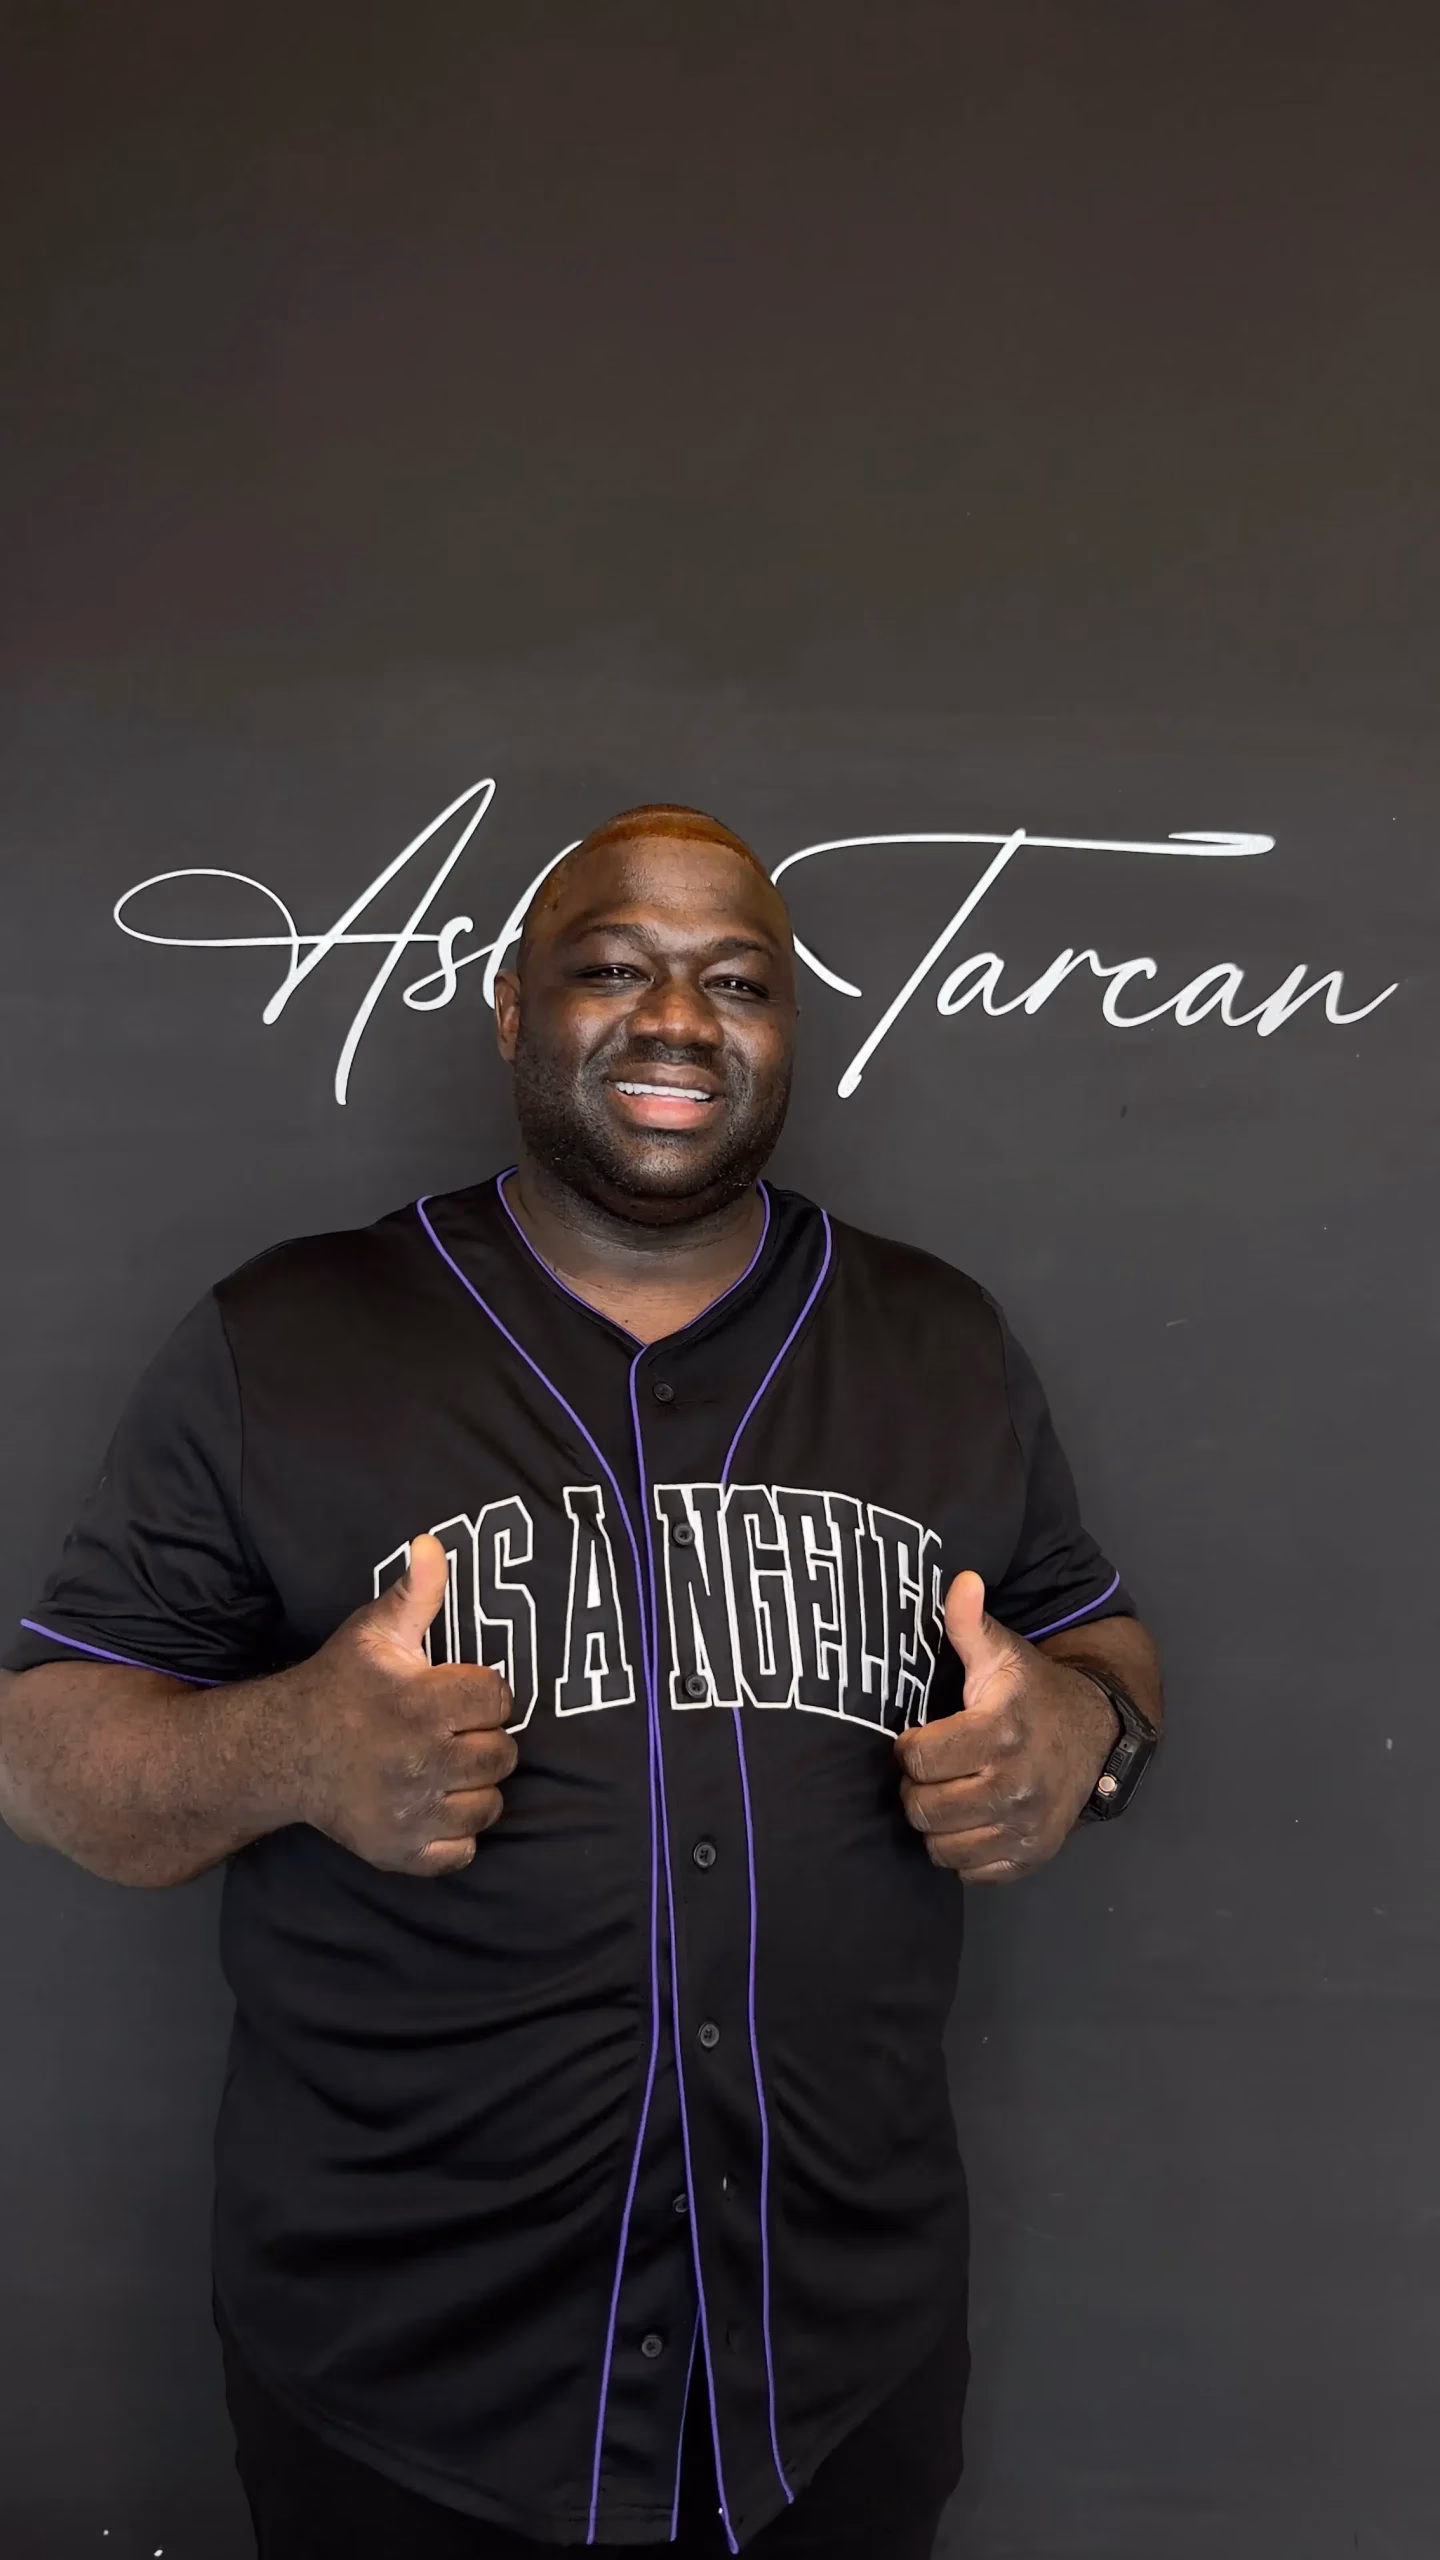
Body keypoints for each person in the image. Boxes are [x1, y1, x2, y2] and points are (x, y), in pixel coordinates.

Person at [0, 804, 1162, 2560]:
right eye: (615, 967)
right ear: (510, 1009)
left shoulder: (939, 1339)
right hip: (409, 2382)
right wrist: (288, 1751)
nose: (679, 1019)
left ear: (788, 1028)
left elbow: (1094, 1639)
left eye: (737, 982)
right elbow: (45, 1751)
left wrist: (1082, 1734)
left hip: (836, 2365)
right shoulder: (285, 1336)